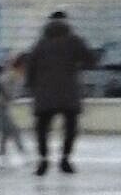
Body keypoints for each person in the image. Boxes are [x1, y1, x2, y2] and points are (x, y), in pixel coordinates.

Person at [25, 10, 100, 176]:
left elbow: (30, 67)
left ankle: (43, 160)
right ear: (66, 23)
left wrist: (31, 87)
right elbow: (91, 60)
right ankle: (65, 159)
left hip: (44, 93)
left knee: (42, 128)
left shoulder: (41, 44)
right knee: (70, 127)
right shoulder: (74, 41)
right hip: (69, 93)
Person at [0, 54, 28, 162]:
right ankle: (22, 151)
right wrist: (4, 94)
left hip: (5, 106)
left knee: (5, 131)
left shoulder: (19, 76)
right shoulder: (11, 75)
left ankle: (1, 152)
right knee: (14, 129)